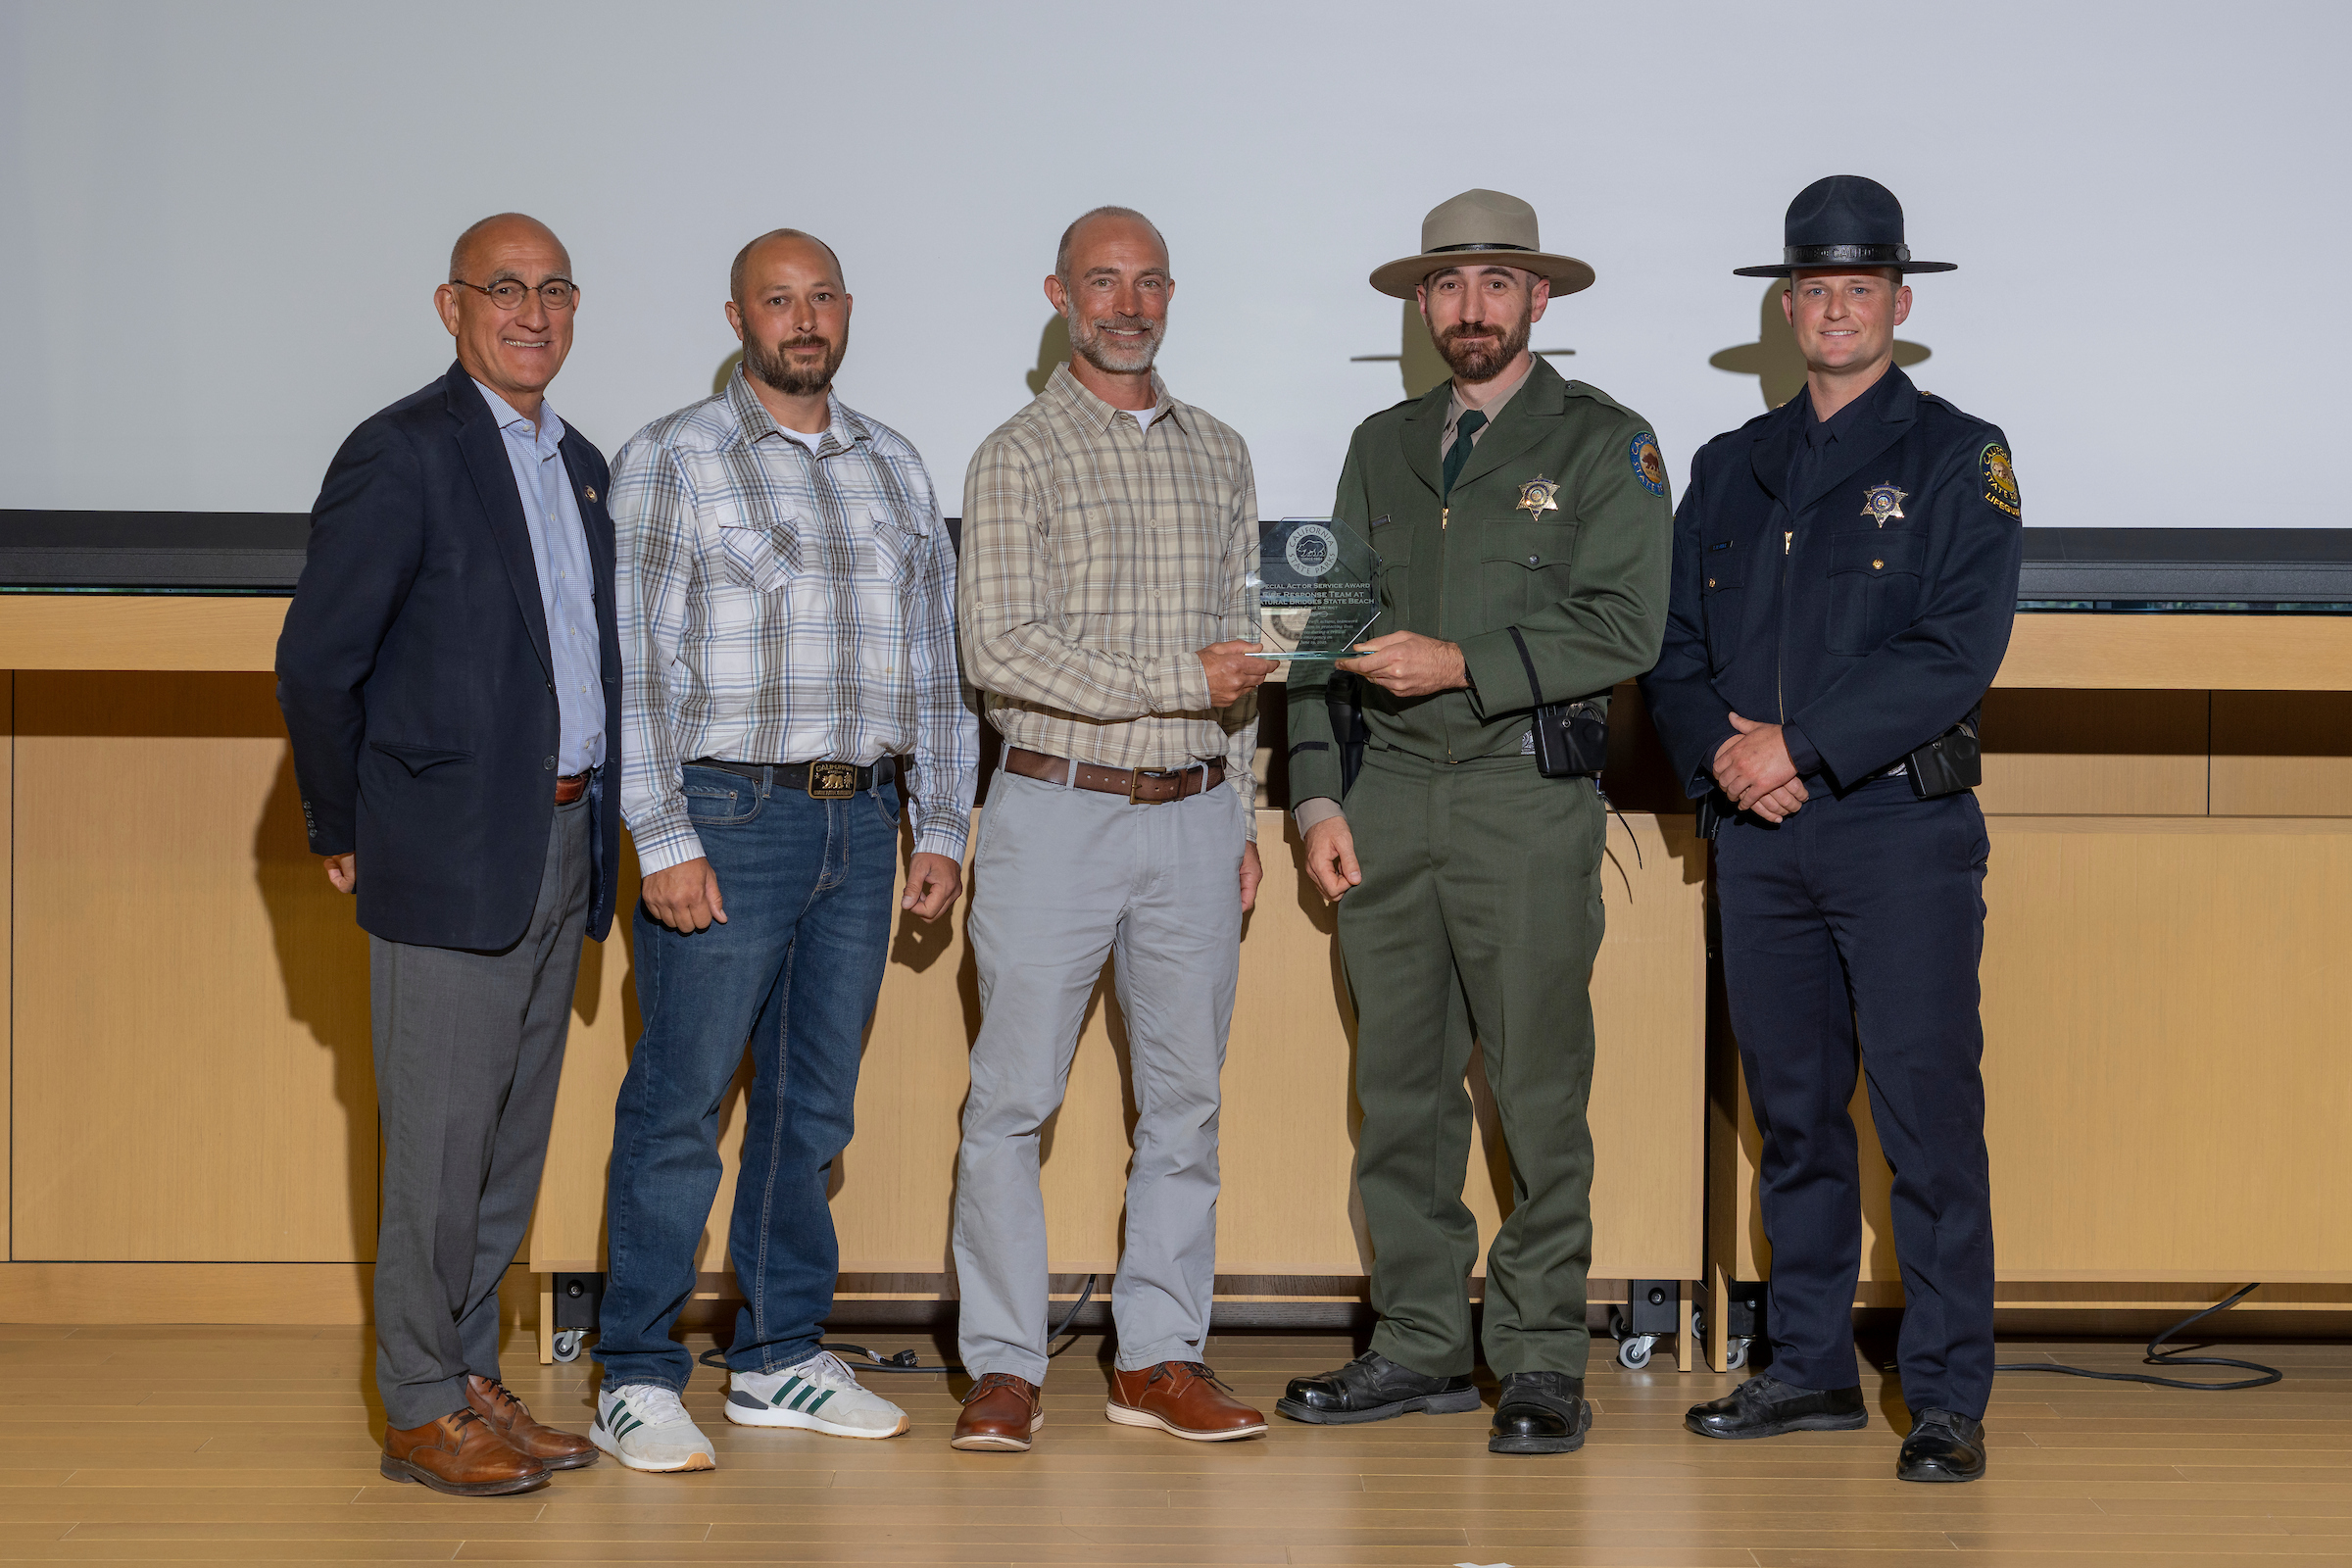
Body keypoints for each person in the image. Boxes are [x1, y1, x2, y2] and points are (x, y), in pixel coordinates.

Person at [1639, 175, 2023, 1484]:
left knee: (1926, 1119)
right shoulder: (1726, 467)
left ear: (1900, 305)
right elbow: (1673, 651)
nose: (1838, 308)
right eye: (1816, 288)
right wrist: (1728, 760)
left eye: (1862, 288)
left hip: (1898, 832)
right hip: (1761, 841)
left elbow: (1955, 649)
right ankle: (1806, 1366)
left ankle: (1948, 1393)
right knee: (1794, 1117)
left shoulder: (1959, 455)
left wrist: (1795, 747)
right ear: (1787, 307)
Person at [1277, 189, 1672, 1456]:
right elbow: (1326, 631)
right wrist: (1316, 796)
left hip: (1523, 796)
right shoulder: (1381, 443)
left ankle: (1543, 1354)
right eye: (1447, 286)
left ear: (1538, 298)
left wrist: (1462, 663)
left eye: (1498, 283)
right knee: (1399, 1092)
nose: (1471, 307)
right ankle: (1419, 1343)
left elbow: (1629, 624)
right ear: (1421, 304)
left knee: (1538, 1089)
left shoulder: (1605, 440)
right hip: (1387, 799)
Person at [590, 229, 977, 1473]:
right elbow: (636, 669)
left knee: (812, 1107)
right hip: (727, 816)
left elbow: (936, 662)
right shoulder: (672, 457)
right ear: (737, 317)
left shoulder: (895, 463)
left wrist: (941, 820)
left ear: (846, 311)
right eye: (777, 300)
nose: (802, 320)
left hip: (861, 822)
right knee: (681, 1102)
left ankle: (775, 1357)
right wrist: (663, 835)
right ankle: (635, 1370)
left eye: (820, 299)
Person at [277, 213, 618, 1495]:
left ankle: (470, 1375)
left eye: (554, 290)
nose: (532, 312)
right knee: (435, 1145)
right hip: (446, 847)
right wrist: (346, 825)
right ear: (451, 305)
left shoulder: (580, 462)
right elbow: (318, 663)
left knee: (504, 1144)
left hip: (563, 837)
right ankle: (419, 1405)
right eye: (504, 289)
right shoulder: (403, 449)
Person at [947, 206, 1272, 1453]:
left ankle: (1157, 1356)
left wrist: (1242, 805)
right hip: (1055, 811)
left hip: (1195, 819)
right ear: (1060, 295)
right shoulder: (1014, 453)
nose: (1127, 304)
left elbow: (1246, 654)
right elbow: (1001, 649)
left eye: (1148, 283)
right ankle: (1002, 1365)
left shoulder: (1222, 452)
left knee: (1185, 1106)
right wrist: (1179, 681)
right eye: (1102, 281)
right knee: (1011, 1102)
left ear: (1171, 295)